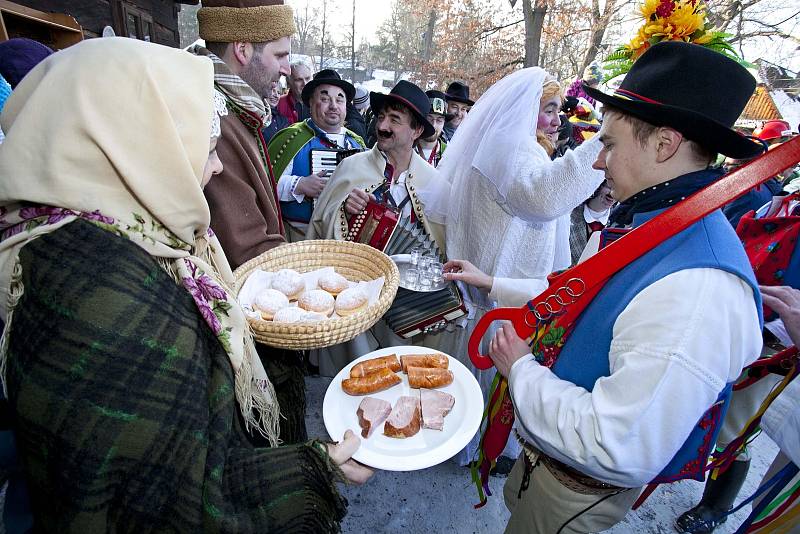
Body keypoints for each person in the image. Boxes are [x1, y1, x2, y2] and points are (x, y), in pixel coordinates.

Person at [0, 37, 370, 532]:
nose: (216, 166)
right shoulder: (112, 302)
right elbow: (181, 503)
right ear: (139, 146)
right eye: (205, 146)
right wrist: (318, 467)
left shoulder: (102, 240)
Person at [479, 42, 763, 533]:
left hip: (575, 490)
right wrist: (491, 283)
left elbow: (616, 443)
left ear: (664, 145)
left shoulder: (698, 289)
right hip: (548, 463)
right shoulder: (647, 226)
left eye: (608, 144)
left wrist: (520, 369)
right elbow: (576, 297)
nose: (597, 163)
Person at [419, 68, 606, 470]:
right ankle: (484, 446)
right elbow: (544, 196)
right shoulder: (513, 148)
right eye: (549, 110)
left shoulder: (511, 146)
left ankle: (480, 441)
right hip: (499, 298)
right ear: (524, 112)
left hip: (497, 291)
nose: (558, 121)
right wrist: (606, 143)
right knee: (494, 379)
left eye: (559, 111)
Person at [191, 0, 308, 445]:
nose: (286, 68)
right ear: (243, 48)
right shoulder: (211, 116)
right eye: (279, 55)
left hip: (252, 304)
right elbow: (244, 246)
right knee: (268, 444)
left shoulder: (234, 105)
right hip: (250, 322)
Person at [306, 80, 442, 375]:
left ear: (416, 131)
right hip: (355, 297)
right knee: (353, 375)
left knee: (397, 376)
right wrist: (344, 211)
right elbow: (319, 226)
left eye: (395, 120)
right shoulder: (351, 167)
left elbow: (441, 247)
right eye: (381, 117)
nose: (383, 125)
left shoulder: (434, 183)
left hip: (406, 303)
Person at [268, 69, 366, 242]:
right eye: (325, 99)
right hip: (297, 238)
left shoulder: (357, 144)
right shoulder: (291, 138)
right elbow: (265, 185)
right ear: (311, 103)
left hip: (343, 241)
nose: (334, 105)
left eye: (339, 99)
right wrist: (299, 185)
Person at [568, 180, 615, 265]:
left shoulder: (621, 222)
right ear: (597, 185)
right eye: (609, 186)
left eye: (617, 188)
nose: (613, 193)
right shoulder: (568, 216)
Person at [414, 90, 451, 167]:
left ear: (444, 123)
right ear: (421, 119)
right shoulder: (406, 149)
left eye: (439, 120)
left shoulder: (449, 154)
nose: (433, 125)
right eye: (429, 118)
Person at [278, 60, 312, 124]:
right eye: (299, 80)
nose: (305, 83)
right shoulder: (279, 104)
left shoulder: (320, 103)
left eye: (307, 78)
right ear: (288, 83)